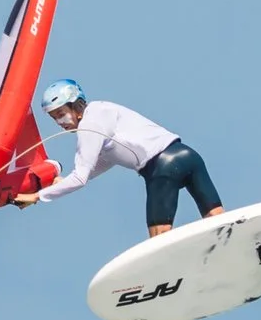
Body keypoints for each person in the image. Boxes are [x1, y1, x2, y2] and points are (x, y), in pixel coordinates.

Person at [13, 80, 224, 235]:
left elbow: (80, 178)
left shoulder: (89, 125)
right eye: (54, 118)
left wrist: (37, 196)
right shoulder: (102, 109)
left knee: (160, 239)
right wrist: (61, 182)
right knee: (218, 220)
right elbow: (106, 160)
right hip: (188, 156)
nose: (60, 122)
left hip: (162, 168)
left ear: (77, 106)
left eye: (61, 114)